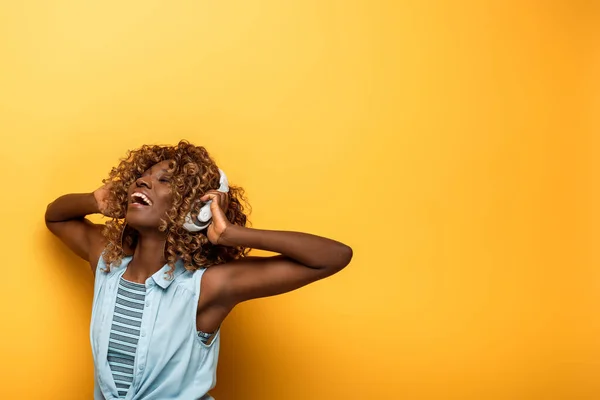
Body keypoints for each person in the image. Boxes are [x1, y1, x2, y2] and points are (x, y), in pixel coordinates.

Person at [45, 140, 353, 400]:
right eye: (142, 177)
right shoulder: (108, 263)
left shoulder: (206, 287)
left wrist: (233, 235)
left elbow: (333, 256)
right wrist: (94, 201)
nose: (142, 181)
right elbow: (56, 217)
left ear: (194, 211)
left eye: (164, 180)